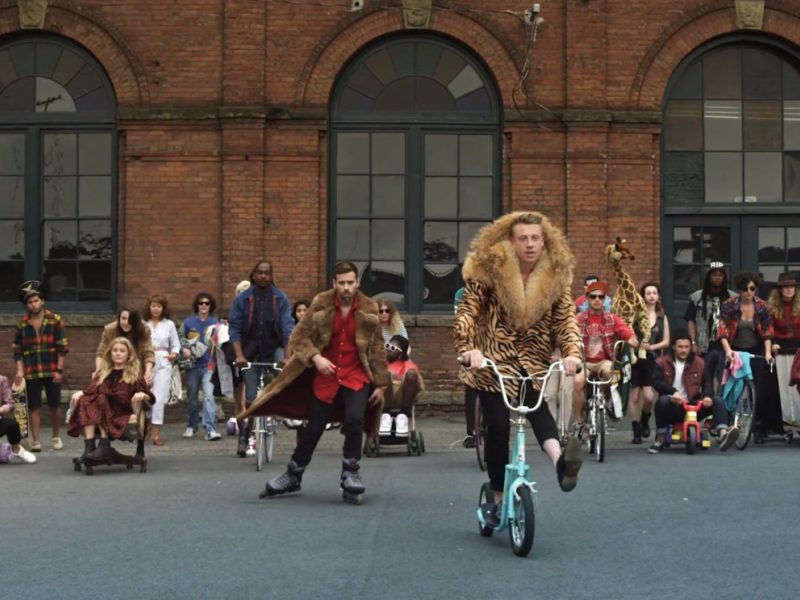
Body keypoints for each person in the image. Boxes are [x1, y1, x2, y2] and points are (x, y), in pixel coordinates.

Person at [455, 211, 584, 528]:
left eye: (535, 238)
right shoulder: (489, 270)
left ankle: (561, 464)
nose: (529, 244)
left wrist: (572, 353)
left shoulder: (555, 276)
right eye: (523, 238)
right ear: (511, 242)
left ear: (544, 241)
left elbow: (565, 321)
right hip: (491, 361)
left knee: (538, 410)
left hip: (532, 361)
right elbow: (467, 313)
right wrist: (468, 348)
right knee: (498, 426)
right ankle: (498, 497)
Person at [240, 260, 389, 501]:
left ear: (357, 283)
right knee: (313, 427)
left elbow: (378, 349)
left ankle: (351, 473)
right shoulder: (321, 303)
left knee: (354, 419)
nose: (346, 288)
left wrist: (381, 384)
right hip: (326, 376)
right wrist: (316, 358)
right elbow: (299, 337)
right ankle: (293, 475)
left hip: (356, 374)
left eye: (350, 283)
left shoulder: (369, 308)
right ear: (334, 283)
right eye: (342, 283)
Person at [228, 260, 295, 456]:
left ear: (271, 275)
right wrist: (239, 355)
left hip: (274, 348)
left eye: (267, 273)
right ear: (254, 275)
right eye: (260, 272)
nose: (263, 276)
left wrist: (287, 356)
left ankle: (280, 409)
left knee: (282, 372)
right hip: (249, 352)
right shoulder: (243, 299)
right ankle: (245, 434)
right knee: (250, 397)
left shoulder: (280, 298)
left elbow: (287, 328)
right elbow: (234, 329)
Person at [67, 337, 155, 462]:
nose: (118, 353)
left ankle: (104, 445)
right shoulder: (102, 372)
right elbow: (91, 391)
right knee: (86, 400)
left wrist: (143, 394)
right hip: (102, 408)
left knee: (101, 398)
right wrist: (81, 393)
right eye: (115, 350)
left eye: (122, 351)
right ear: (110, 353)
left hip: (121, 411)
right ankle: (89, 448)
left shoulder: (135, 374)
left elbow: (151, 399)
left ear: (129, 355)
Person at [648, 330, 735, 453]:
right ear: (673, 347)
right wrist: (673, 392)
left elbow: (707, 382)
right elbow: (657, 382)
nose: (683, 350)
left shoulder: (699, 362)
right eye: (680, 347)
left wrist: (707, 396)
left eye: (686, 347)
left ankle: (723, 435)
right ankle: (660, 439)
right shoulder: (661, 362)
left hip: (694, 405)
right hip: (674, 406)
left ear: (690, 347)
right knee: (662, 401)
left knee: (718, 401)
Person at [572, 279, 639, 426]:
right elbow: (568, 335)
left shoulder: (612, 319)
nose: (597, 300)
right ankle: (578, 418)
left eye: (600, 297)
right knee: (577, 382)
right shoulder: (578, 319)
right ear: (587, 298)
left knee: (612, 375)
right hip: (584, 361)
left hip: (604, 360)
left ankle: (607, 401)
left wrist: (631, 339)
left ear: (605, 300)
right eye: (593, 296)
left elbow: (626, 333)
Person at [12, 280, 68, 452]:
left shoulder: (55, 320)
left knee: (55, 405)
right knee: (34, 406)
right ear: (26, 305)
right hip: (32, 371)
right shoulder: (22, 324)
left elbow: (62, 348)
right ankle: (36, 441)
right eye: (30, 302)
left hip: (51, 369)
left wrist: (59, 370)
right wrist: (20, 369)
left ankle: (56, 436)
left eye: (36, 300)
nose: (33, 304)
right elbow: (17, 350)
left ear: (42, 301)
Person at [719, 272, 775, 444]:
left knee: (759, 391)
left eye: (752, 288)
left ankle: (758, 427)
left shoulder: (761, 306)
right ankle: (729, 424)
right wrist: (728, 351)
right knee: (731, 388)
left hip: (755, 350)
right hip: (735, 349)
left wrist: (767, 352)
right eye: (745, 289)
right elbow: (723, 330)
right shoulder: (729, 305)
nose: (749, 292)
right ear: (739, 290)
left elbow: (767, 331)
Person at [628, 282, 670, 444]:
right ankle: (636, 429)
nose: (651, 296)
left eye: (654, 293)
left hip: (651, 358)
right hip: (635, 357)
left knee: (648, 396)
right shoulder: (635, 315)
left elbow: (666, 341)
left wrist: (652, 346)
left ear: (658, 296)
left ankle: (645, 418)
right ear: (643, 296)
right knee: (634, 395)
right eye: (648, 293)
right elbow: (627, 332)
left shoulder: (662, 316)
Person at [684, 261, 736, 384]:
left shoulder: (733, 298)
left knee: (724, 380)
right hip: (704, 346)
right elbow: (691, 320)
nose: (717, 278)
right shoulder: (696, 297)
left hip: (726, 346)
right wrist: (693, 342)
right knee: (705, 380)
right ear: (708, 277)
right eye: (714, 275)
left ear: (724, 277)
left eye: (720, 275)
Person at [179, 292, 221, 441]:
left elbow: (222, 342)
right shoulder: (188, 323)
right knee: (192, 398)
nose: (203, 305)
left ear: (211, 306)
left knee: (209, 396)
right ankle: (192, 425)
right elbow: (178, 339)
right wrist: (183, 349)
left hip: (209, 365)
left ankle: (210, 429)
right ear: (196, 305)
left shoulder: (216, 323)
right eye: (201, 303)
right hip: (192, 366)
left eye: (207, 303)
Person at [143, 294, 180, 446]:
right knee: (146, 395)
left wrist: (173, 354)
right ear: (149, 307)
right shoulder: (143, 324)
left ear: (163, 308)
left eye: (159, 306)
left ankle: (156, 432)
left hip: (163, 360)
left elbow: (176, 344)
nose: (156, 309)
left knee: (158, 398)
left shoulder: (169, 324)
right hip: (146, 361)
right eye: (153, 305)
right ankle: (145, 425)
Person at [768, 273, 800, 435]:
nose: (789, 290)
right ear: (780, 290)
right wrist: (773, 344)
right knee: (785, 388)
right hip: (781, 349)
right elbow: (769, 328)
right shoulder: (773, 308)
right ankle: (788, 422)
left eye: (792, 286)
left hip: (799, 348)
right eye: (786, 287)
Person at [95, 307, 155, 386]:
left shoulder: (143, 330)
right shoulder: (110, 330)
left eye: (130, 320)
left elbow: (148, 352)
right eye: (123, 318)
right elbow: (101, 352)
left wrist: (148, 371)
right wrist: (99, 369)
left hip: (136, 370)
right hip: (113, 370)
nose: (126, 322)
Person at [379, 335, 423, 436]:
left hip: (402, 397)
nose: (388, 349)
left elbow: (418, 385)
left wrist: (400, 377)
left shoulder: (408, 365)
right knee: (384, 374)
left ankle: (402, 417)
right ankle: (385, 417)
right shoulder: (380, 363)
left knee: (412, 374)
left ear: (401, 353)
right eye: (387, 346)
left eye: (393, 348)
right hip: (384, 398)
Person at [454, 286, 477, 448]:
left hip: (493, 347)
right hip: (470, 345)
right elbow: (460, 323)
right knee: (471, 389)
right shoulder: (462, 293)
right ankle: (471, 432)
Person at [0, 374, 36, 464]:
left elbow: (9, 403)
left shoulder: (2, 380)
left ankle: (16, 449)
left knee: (12, 424)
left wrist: (2, 409)